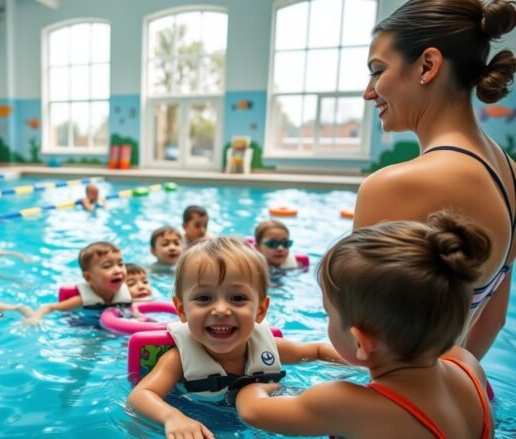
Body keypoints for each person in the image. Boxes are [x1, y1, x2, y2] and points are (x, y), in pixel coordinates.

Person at [235, 211, 494, 438]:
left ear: (360, 342)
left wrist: (253, 386)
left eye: (329, 315)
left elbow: (253, 412)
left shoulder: (345, 403)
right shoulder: (467, 365)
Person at [355, 0, 516, 360]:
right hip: (459, 394)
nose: (368, 92)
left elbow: (360, 340)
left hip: (394, 406)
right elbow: (493, 319)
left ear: (427, 66)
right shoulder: (509, 171)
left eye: (377, 71)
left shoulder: (395, 184)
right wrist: (456, 390)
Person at [127, 237, 340, 438]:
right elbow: (141, 395)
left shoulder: (270, 347)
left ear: (260, 310)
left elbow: (318, 351)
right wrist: (173, 418)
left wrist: (364, 366)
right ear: (181, 310)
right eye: (204, 298)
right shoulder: (178, 359)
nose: (220, 310)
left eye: (238, 298)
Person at [26, 241, 131, 323]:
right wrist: (35, 317)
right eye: (107, 266)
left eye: (120, 264)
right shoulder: (80, 300)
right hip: (86, 326)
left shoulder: (128, 293)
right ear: (88, 277)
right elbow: (50, 307)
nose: (117, 270)